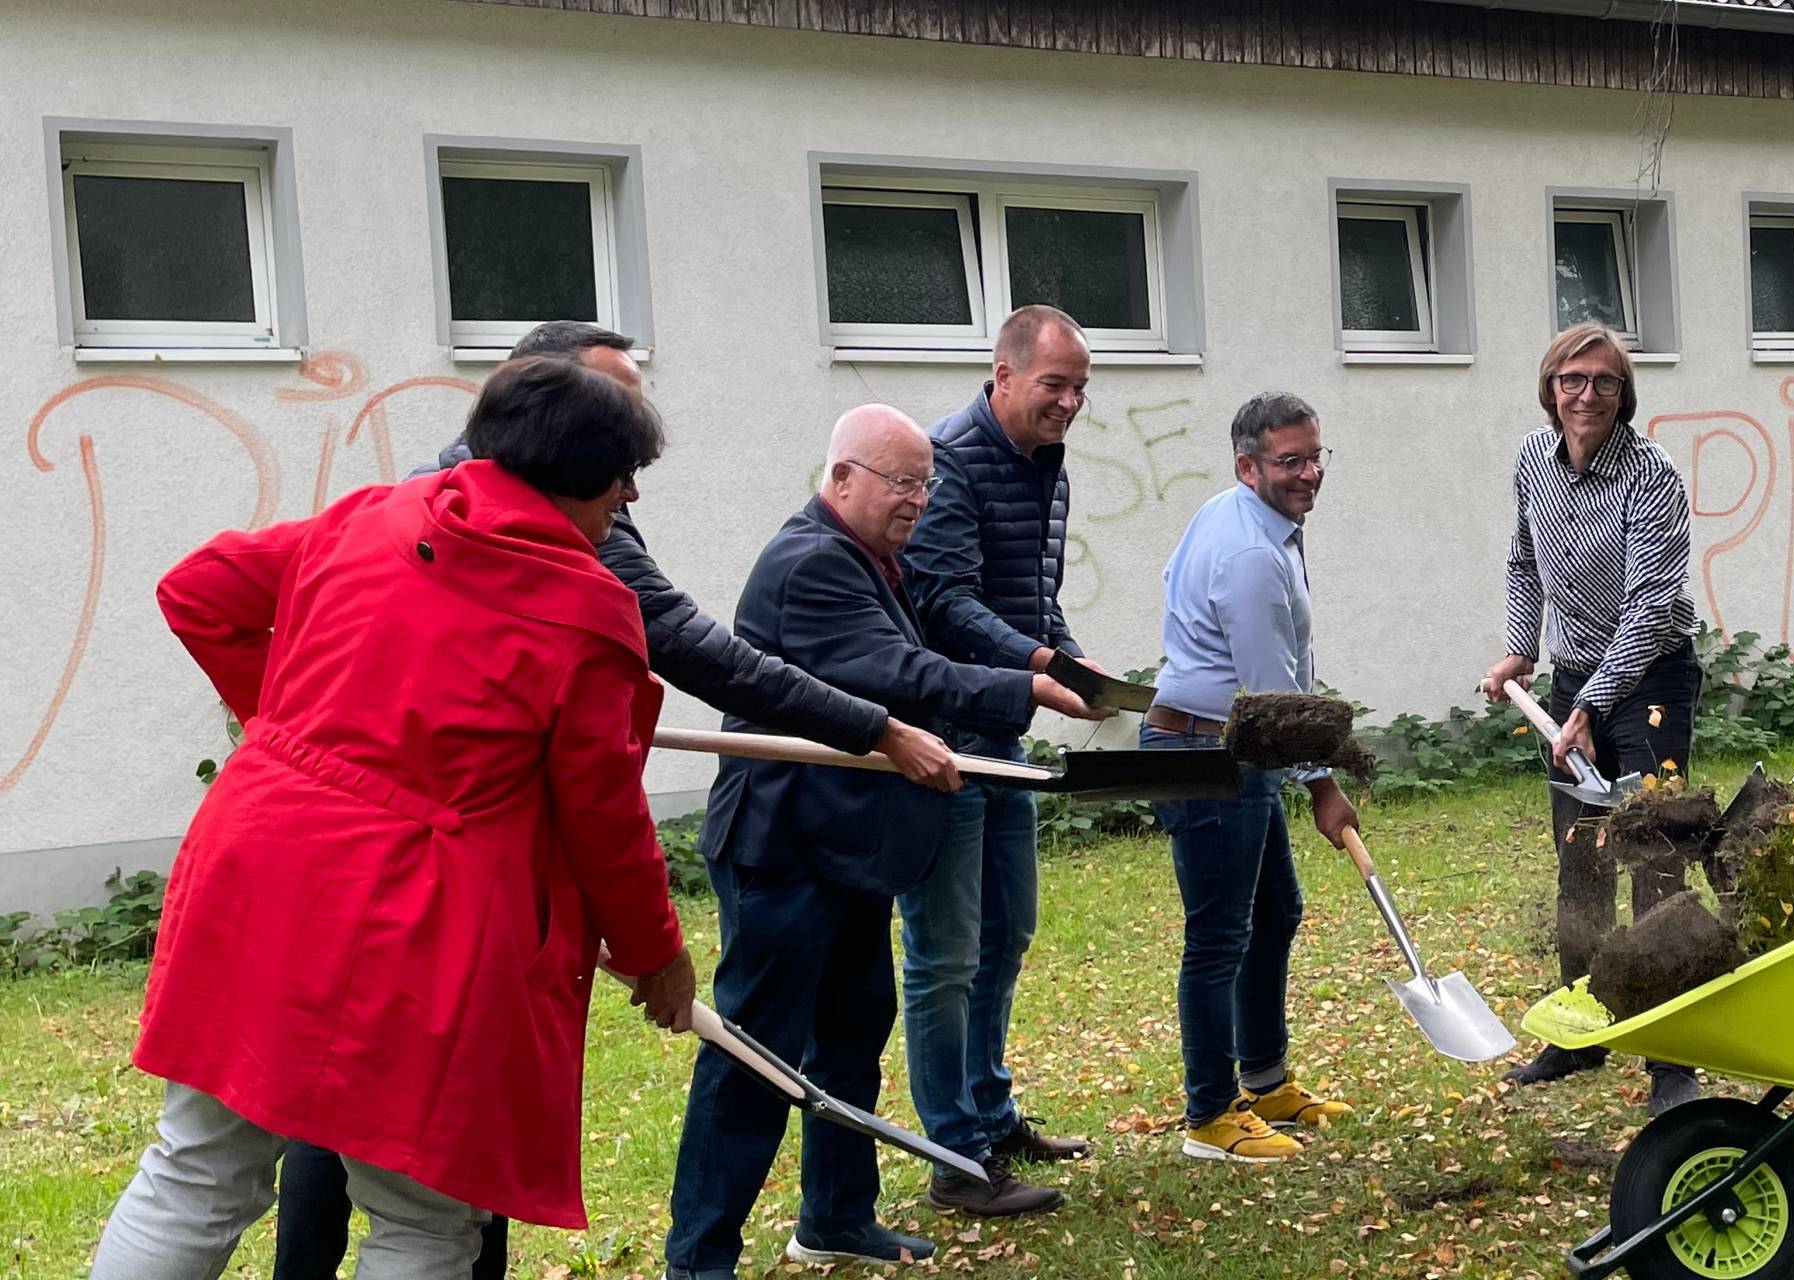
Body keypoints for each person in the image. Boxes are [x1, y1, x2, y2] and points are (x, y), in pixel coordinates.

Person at [274, 322, 961, 1280]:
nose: (632, 457)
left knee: (348, 1131)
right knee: (359, 1127)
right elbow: (661, 690)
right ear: (545, 411)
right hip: (434, 865)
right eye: (616, 413)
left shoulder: (565, 514)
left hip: (418, 854)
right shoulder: (479, 524)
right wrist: (874, 726)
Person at [91, 357, 695, 1279]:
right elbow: (603, 816)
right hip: (415, 919)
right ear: (579, 475)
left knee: (197, 1169)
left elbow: (202, 589)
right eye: (624, 477)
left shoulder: (369, 514)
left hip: (256, 866)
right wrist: (657, 952)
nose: (630, 498)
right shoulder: (585, 611)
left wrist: (292, 729)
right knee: (421, 1215)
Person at [662, 406, 1096, 1279]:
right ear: (842, 477)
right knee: (755, 1059)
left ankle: (835, 1218)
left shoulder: (873, 559)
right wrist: (1023, 688)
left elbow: (914, 659)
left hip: (847, 847)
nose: (918, 501)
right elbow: (896, 673)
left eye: (926, 485)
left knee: (852, 1034)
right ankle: (698, 1260)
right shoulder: (812, 562)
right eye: (902, 482)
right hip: (782, 849)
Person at [897, 304, 1111, 1216]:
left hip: (1003, 734)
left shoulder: (1046, 464)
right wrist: (1038, 665)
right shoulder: (950, 460)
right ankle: (954, 1155)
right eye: (1054, 385)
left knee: (1006, 933)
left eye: (1080, 389)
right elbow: (942, 600)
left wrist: (1077, 661)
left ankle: (990, 1112)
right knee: (945, 954)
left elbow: (1030, 597)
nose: (1069, 403)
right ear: (1004, 376)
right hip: (941, 738)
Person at [1478, 322, 1705, 1115]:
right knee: (1580, 860)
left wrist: (1589, 707)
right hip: (1576, 680)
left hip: (1652, 682)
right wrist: (1521, 648)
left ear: (1623, 394)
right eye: (1572, 379)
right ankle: (1582, 1034)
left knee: (1655, 858)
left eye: (1605, 381)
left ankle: (1671, 1057)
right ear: (1551, 387)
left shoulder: (1652, 476)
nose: (1587, 395)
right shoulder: (1533, 461)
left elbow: (1648, 609)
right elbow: (1523, 562)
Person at [1141, 391, 1360, 1163]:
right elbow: (1276, 702)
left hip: (1234, 747)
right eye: (1289, 461)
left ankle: (1264, 1081)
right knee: (1219, 937)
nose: (1308, 474)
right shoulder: (1251, 555)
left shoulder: (1243, 517)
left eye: (1314, 457)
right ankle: (1210, 1115)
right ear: (1248, 466)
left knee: (1274, 914)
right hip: (1205, 753)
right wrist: (1324, 787)